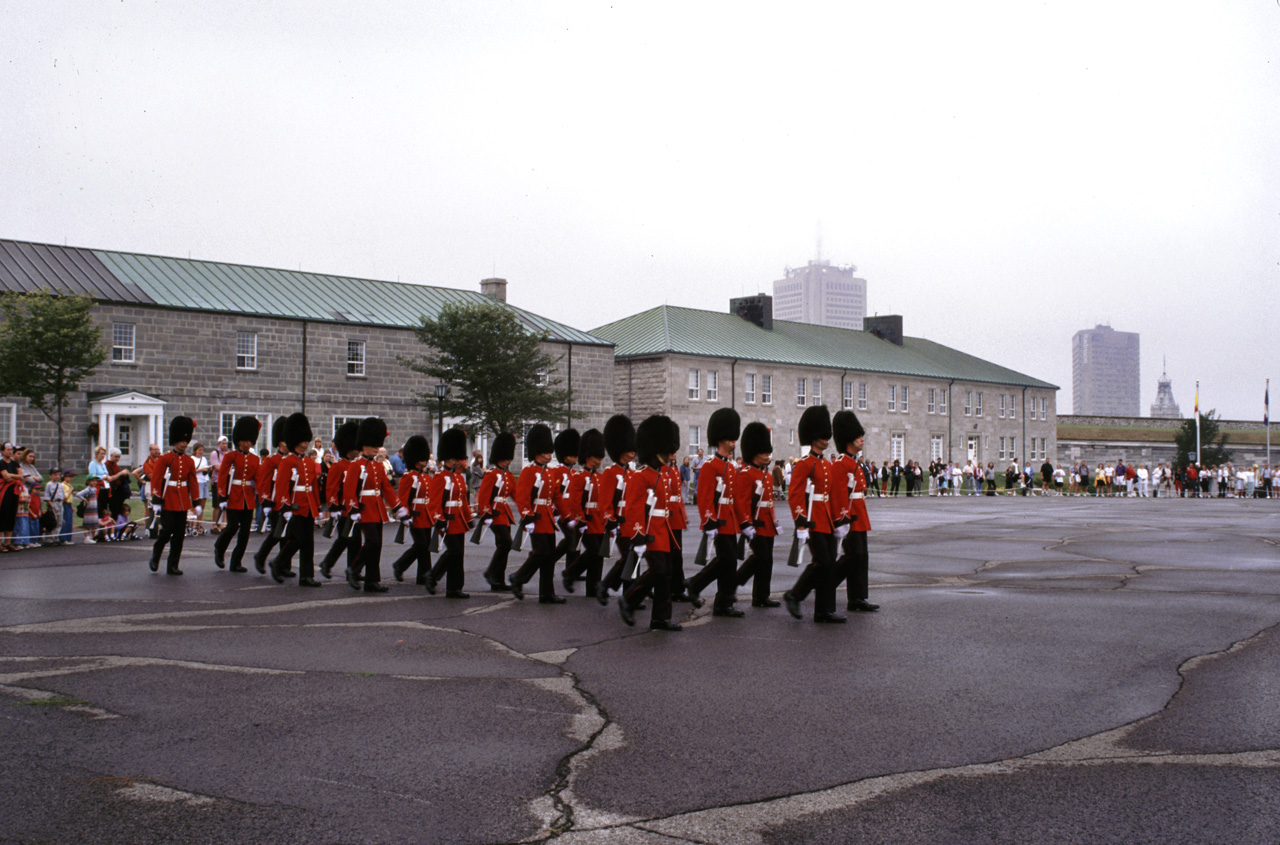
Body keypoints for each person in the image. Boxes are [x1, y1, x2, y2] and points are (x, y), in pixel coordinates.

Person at [617, 415, 683, 631]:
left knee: (666, 574)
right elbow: (634, 508)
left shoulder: (662, 474)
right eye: (663, 451)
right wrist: (638, 536)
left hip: (664, 529)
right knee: (658, 571)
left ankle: (661, 618)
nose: (668, 455)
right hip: (649, 530)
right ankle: (629, 600)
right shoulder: (640, 476)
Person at [783, 405, 842, 623]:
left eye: (828, 436)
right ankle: (795, 594)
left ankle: (824, 610)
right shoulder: (804, 464)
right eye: (823, 437)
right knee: (822, 562)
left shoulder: (826, 464)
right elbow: (795, 495)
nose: (827, 440)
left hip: (827, 519)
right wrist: (800, 524)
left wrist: (839, 521)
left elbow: (832, 495)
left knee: (829, 566)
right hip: (812, 521)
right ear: (814, 438)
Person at [686, 408, 745, 617]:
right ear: (722, 440)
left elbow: (735, 498)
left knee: (729, 562)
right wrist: (708, 521)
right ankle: (695, 584)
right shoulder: (710, 466)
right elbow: (704, 497)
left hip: (729, 520)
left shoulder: (730, 467)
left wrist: (744, 522)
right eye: (731, 439)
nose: (734, 443)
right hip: (718, 520)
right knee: (726, 560)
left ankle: (723, 603)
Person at [343, 418, 405, 593]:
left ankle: (372, 581)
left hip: (377, 509)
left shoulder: (378, 466)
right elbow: (349, 490)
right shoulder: (356, 465)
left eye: (377, 445)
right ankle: (353, 569)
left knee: (377, 545)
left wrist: (397, 507)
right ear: (364, 446)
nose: (376, 448)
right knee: (372, 542)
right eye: (373, 445)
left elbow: (387, 489)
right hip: (364, 509)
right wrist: (352, 508)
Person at [267, 413, 324, 587]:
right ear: (295, 441)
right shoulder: (287, 461)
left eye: (307, 440)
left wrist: (317, 506)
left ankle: (307, 576)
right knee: (297, 539)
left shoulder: (307, 461)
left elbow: (313, 486)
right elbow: (282, 487)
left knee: (308, 542)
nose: (306, 443)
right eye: (303, 440)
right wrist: (285, 507)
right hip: (295, 506)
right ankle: (278, 562)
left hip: (308, 505)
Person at [831, 410, 878, 613]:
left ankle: (857, 598)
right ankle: (826, 582)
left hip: (859, 515)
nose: (862, 439)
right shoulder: (841, 464)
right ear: (849, 439)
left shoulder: (855, 463)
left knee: (862, 556)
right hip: (849, 516)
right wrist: (843, 520)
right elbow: (839, 495)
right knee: (853, 555)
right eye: (859, 436)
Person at [509, 424, 561, 602]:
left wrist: (565, 513)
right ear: (538, 452)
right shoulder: (528, 471)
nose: (549, 454)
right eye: (546, 451)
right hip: (536, 518)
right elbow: (522, 497)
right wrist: (527, 516)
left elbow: (556, 496)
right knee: (541, 552)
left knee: (550, 556)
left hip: (548, 518)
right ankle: (518, 578)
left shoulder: (549, 472)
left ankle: (547, 593)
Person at [148, 416, 202, 575]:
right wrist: (156, 499)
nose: (184, 443)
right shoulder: (165, 458)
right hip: (167, 499)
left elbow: (192, 482)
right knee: (166, 531)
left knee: (179, 535)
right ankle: (156, 554)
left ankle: (173, 565)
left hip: (182, 500)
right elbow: (157, 479)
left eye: (186, 441)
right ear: (175, 441)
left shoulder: (189, 461)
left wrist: (196, 501)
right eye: (181, 441)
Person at [424, 427, 474, 598]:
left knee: (459, 553)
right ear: (448, 459)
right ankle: (432, 576)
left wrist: (468, 517)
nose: (458, 462)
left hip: (458, 520)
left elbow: (463, 500)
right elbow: (434, 502)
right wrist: (438, 519)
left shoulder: (459, 477)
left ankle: (454, 588)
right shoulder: (439, 477)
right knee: (453, 550)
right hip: (446, 520)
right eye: (455, 459)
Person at [734, 422, 778, 608]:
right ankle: (734, 582)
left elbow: (768, 502)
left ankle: (761, 596)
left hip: (767, 523)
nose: (768, 454)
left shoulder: (766, 475)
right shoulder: (746, 474)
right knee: (760, 557)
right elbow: (742, 502)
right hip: (755, 523)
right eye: (763, 451)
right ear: (754, 452)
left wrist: (775, 521)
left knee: (767, 560)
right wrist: (746, 524)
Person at [561, 429, 608, 598]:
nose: (600, 460)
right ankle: (570, 573)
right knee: (594, 551)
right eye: (597, 456)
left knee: (599, 555)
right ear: (588, 457)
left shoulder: (600, 477)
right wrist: (579, 519)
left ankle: (593, 589)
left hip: (599, 520)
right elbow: (574, 501)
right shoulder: (580, 477)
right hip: (587, 519)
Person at [596, 415, 638, 604]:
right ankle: (615, 589)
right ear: (620, 450)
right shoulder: (610, 473)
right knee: (629, 557)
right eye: (630, 448)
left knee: (632, 557)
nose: (633, 452)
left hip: (632, 523)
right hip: (620, 522)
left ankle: (614, 589)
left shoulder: (631, 473)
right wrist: (610, 521)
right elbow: (604, 502)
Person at [212, 416, 262, 572]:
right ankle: (219, 548)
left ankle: (236, 562)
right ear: (239, 441)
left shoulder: (255, 459)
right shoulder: (230, 457)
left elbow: (258, 480)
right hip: (233, 496)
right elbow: (222, 478)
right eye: (245, 440)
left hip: (248, 497)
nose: (248, 443)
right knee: (232, 527)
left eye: (250, 441)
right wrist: (222, 497)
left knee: (245, 532)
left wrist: (264, 497)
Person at [318, 421, 361, 580]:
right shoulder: (338, 466)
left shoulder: (357, 465)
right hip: (343, 509)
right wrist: (334, 507)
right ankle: (327, 564)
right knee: (345, 540)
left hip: (356, 508)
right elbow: (331, 488)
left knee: (354, 542)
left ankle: (352, 570)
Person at [390, 435, 434, 587]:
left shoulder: (426, 477)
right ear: (415, 458)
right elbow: (403, 498)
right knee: (421, 544)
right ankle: (400, 565)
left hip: (426, 515)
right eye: (422, 458)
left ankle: (423, 576)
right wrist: (405, 515)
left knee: (426, 545)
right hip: (415, 515)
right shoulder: (408, 477)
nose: (425, 460)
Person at [475, 433, 518, 591]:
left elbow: (517, 496)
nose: (507, 460)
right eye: (505, 457)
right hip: (494, 514)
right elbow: (484, 496)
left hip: (505, 514)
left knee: (503, 545)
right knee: (506, 543)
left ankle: (498, 581)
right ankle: (491, 572)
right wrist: (486, 514)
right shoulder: (491, 474)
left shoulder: (508, 476)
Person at [251, 418, 290, 573]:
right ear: (280, 444)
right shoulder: (271, 460)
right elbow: (263, 483)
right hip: (275, 502)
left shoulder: (292, 460)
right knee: (276, 535)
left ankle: (284, 566)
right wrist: (265, 501)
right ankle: (260, 557)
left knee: (287, 536)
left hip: (288, 501)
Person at [210, 435, 231, 534]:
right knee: (217, 504)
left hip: (226, 481)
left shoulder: (228, 454)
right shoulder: (215, 453)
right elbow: (216, 467)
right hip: (217, 481)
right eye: (223, 443)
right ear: (219, 444)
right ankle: (214, 523)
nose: (225, 445)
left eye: (226, 443)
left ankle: (223, 523)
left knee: (225, 503)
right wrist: (226, 467)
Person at [75, 476, 103, 543]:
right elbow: (78, 494)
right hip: (89, 509)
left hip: (94, 509)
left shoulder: (94, 489)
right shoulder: (88, 489)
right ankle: (87, 537)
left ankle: (93, 537)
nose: (94, 482)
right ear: (88, 481)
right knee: (88, 524)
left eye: (95, 481)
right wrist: (84, 499)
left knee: (94, 524)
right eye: (92, 481)